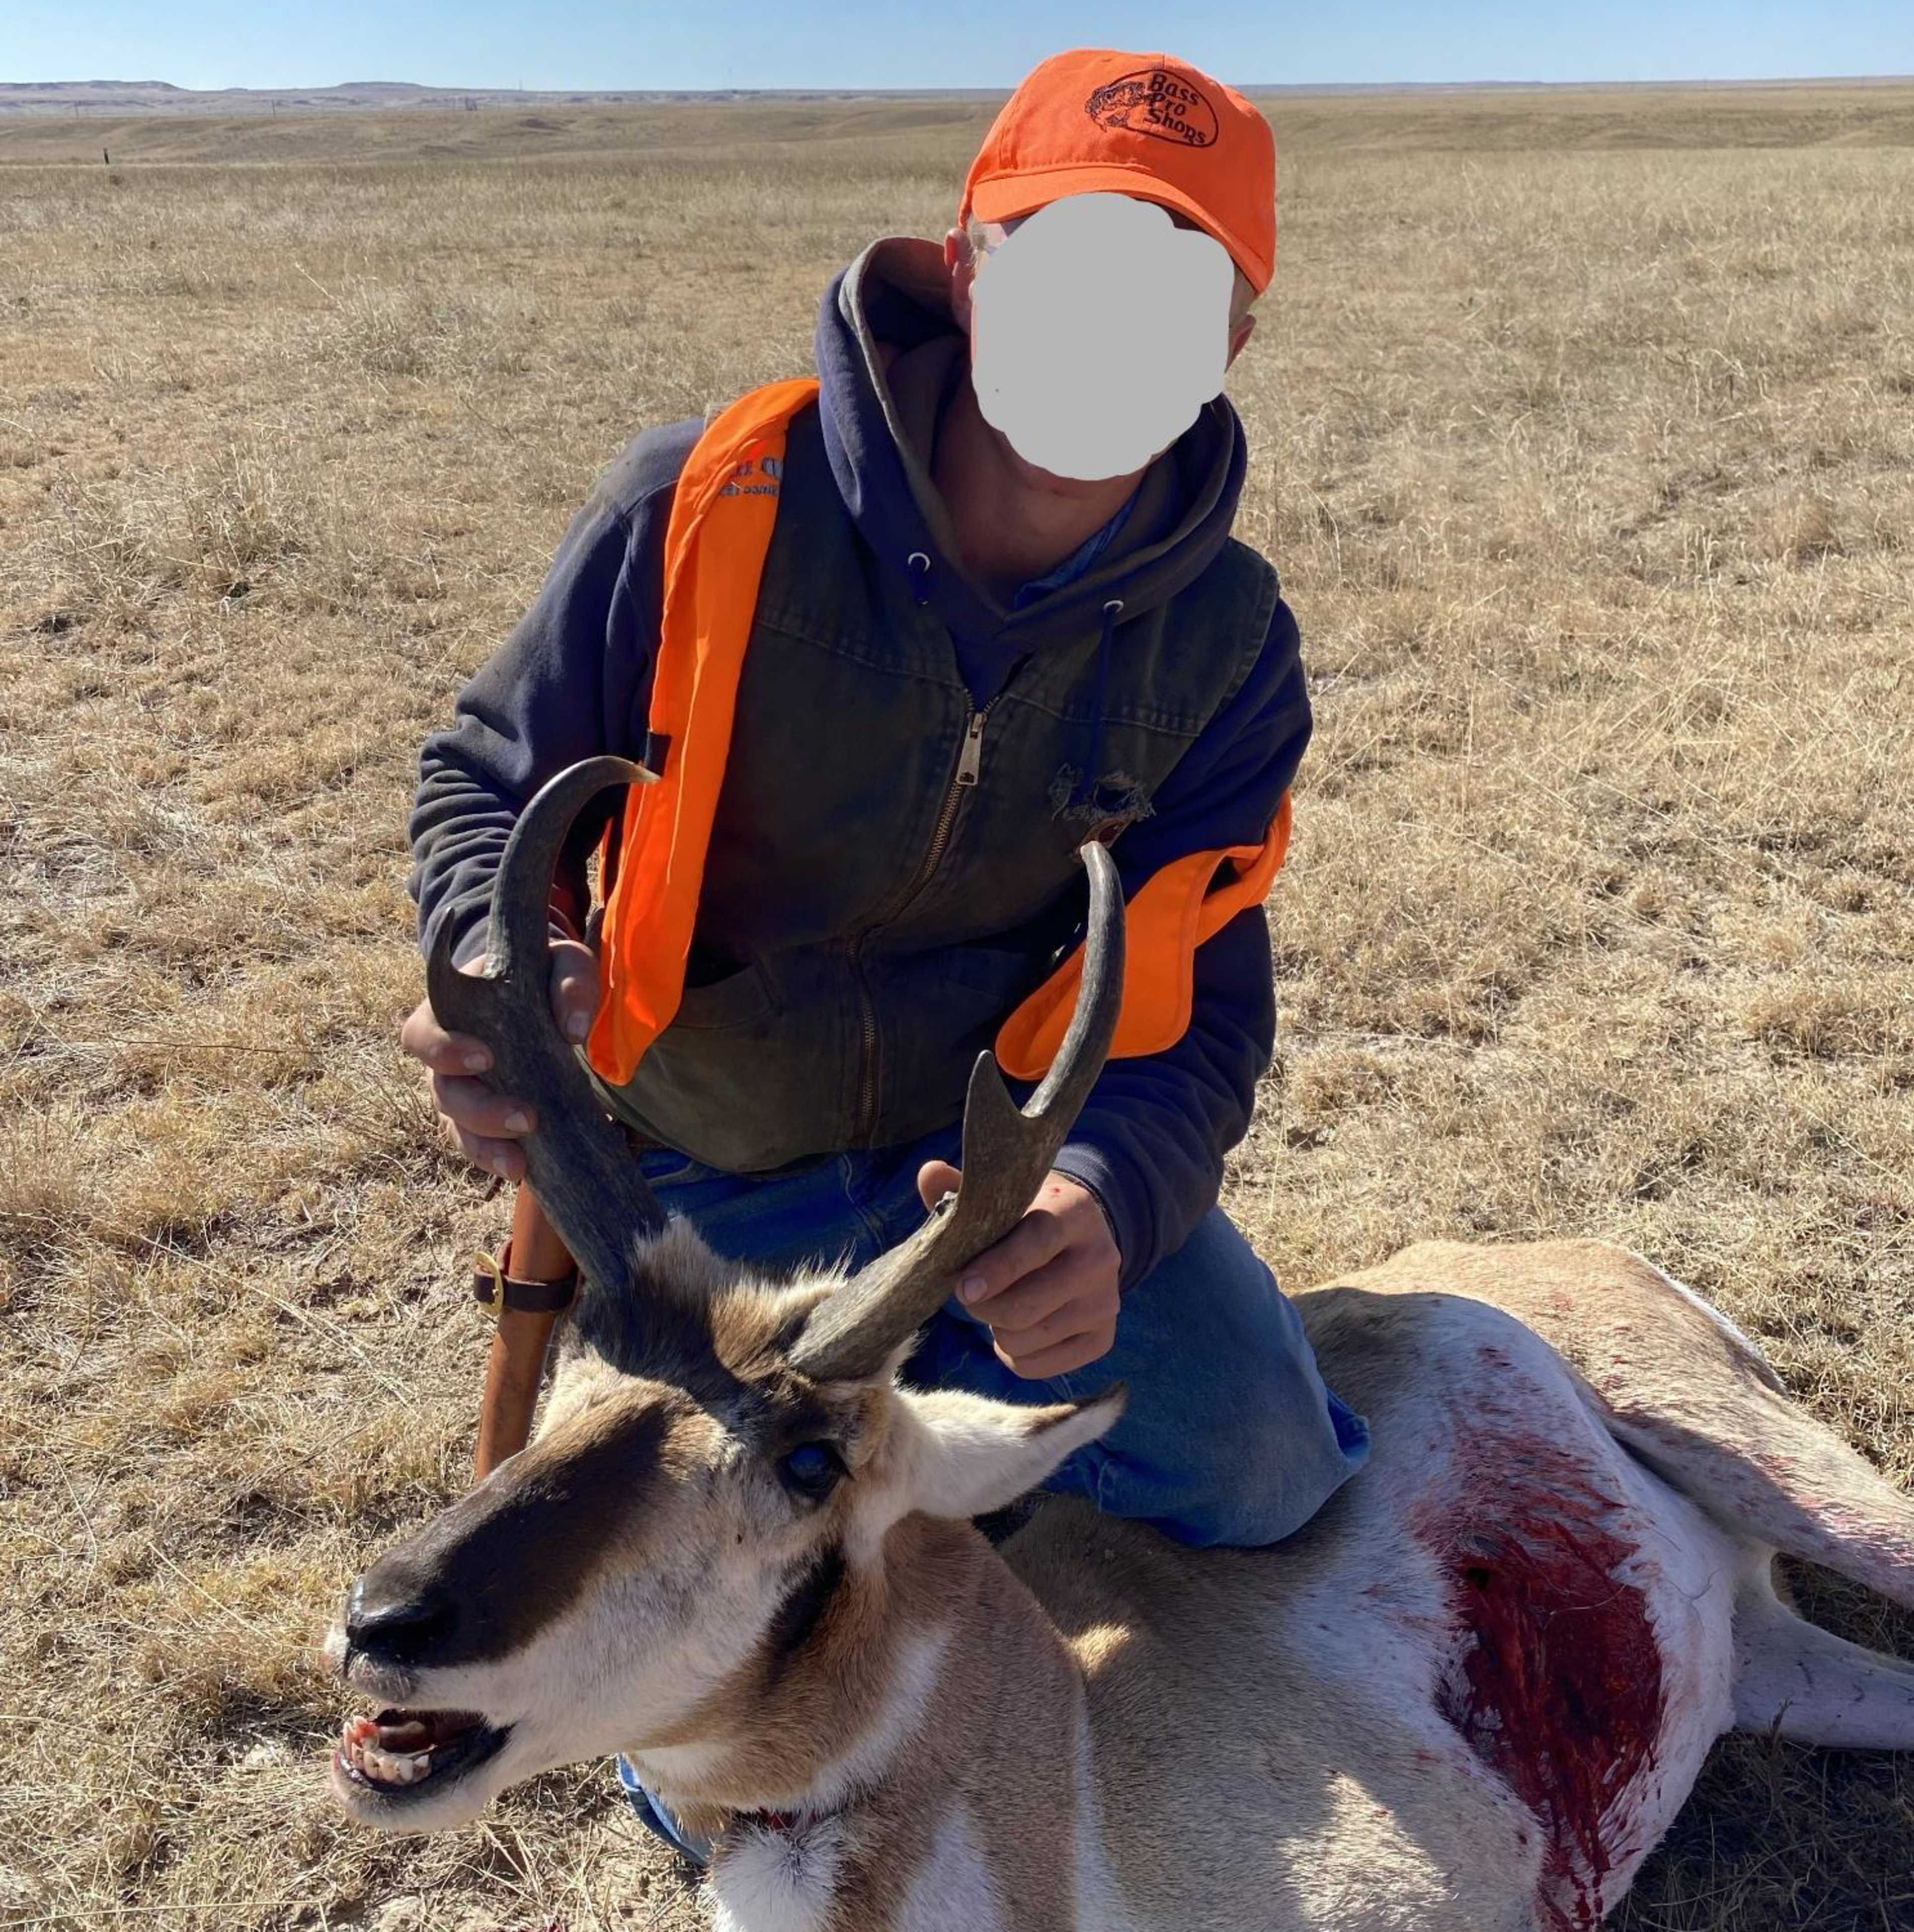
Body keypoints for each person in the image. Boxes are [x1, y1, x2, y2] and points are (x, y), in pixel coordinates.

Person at [401, 46, 1369, 1859]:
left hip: (982, 1205)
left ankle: (930, 1480)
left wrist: (1105, 1204)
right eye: (1066, 267)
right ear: (970, 266)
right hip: (701, 1194)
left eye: (1170, 294)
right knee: (707, 1732)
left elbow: (1200, 1009)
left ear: (1235, 337)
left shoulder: (1229, 647)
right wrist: (509, 959)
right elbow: (484, 782)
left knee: (1270, 1472)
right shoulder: (708, 504)